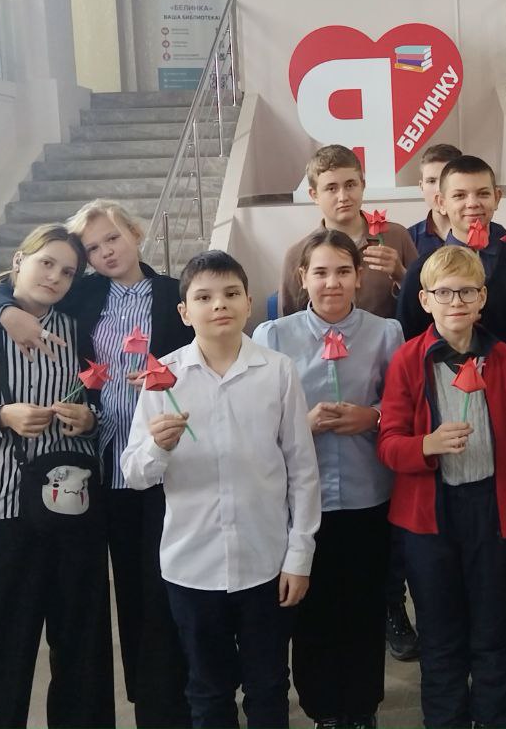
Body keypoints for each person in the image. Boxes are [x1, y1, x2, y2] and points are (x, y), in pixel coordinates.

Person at [0, 199, 192, 727]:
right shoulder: (84, 294)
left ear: (134, 233)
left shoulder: (174, 294)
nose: (105, 252)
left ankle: (172, 708)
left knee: (166, 591)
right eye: (93, 248)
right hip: (101, 473)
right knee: (128, 595)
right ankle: (146, 700)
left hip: (165, 467)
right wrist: (8, 314)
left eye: (112, 238)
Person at [121, 251, 322, 729]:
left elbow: (302, 468)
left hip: (265, 561)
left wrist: (299, 555)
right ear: (184, 311)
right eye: (204, 297)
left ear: (249, 303)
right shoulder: (163, 378)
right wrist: (158, 446)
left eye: (231, 294)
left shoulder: (277, 370)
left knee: (268, 684)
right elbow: (134, 473)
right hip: (192, 565)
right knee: (207, 689)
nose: (219, 305)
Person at [0, 224, 115, 728]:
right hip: (3, 511)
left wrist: (90, 419)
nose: (54, 277)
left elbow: (105, 404)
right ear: (19, 261)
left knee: (82, 644)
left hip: (71, 507)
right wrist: (0, 417)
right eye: (46, 263)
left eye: (67, 272)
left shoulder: (78, 332)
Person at [377, 246, 506, 729]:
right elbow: (388, 445)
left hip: (492, 511)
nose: (456, 302)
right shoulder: (408, 360)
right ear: (425, 300)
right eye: (444, 293)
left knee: (493, 630)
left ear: (482, 298)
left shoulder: (504, 359)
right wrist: (425, 445)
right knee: (441, 634)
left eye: (467, 291)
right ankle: (445, 720)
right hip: (430, 520)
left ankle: (494, 718)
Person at [252, 230, 404, 729]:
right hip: (301, 500)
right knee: (311, 608)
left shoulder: (386, 333)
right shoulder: (274, 336)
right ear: (303, 277)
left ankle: (362, 707)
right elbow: (256, 418)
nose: (332, 282)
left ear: (359, 277)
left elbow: (404, 407)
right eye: (320, 272)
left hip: (367, 492)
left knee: (363, 604)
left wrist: (372, 416)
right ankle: (322, 709)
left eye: (343, 271)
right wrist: (302, 423)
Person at [397, 155, 506, 347]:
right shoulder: (421, 271)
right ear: (441, 203)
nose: (472, 203)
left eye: (483, 194)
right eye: (459, 195)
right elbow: (409, 342)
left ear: (497, 198)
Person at [280, 145, 419, 320]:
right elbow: (289, 324)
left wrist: (402, 276)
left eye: (350, 185)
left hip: (388, 337)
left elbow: (426, 306)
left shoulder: (396, 237)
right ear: (314, 195)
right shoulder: (298, 255)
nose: (343, 197)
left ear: (363, 185)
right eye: (331, 188)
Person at [408, 143, 506, 255]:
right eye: (431, 181)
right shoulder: (410, 238)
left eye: (483, 193)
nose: (439, 188)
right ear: (421, 186)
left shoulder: (498, 234)